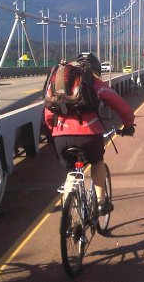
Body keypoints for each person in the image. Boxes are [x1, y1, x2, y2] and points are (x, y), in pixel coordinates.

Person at [44, 53, 135, 215]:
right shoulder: (94, 83)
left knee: (71, 171)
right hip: (89, 136)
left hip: (61, 137)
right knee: (97, 162)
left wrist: (53, 132)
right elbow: (122, 107)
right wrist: (128, 125)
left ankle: (68, 216)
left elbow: (48, 114)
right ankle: (101, 203)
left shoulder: (59, 86)